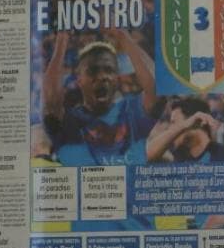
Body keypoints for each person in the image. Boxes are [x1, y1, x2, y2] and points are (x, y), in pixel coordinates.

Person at [42, 27, 157, 165]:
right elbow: (51, 101)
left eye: (109, 70)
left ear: (117, 79)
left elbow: (157, 89)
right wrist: (62, 41)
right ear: (79, 80)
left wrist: (123, 37)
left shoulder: (131, 111)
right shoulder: (69, 121)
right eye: (93, 71)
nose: (102, 76)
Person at [145, 97, 219, 163]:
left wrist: (184, 125)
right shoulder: (176, 154)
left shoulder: (219, 153)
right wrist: (182, 126)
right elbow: (146, 156)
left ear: (194, 121)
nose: (169, 128)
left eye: (173, 122)